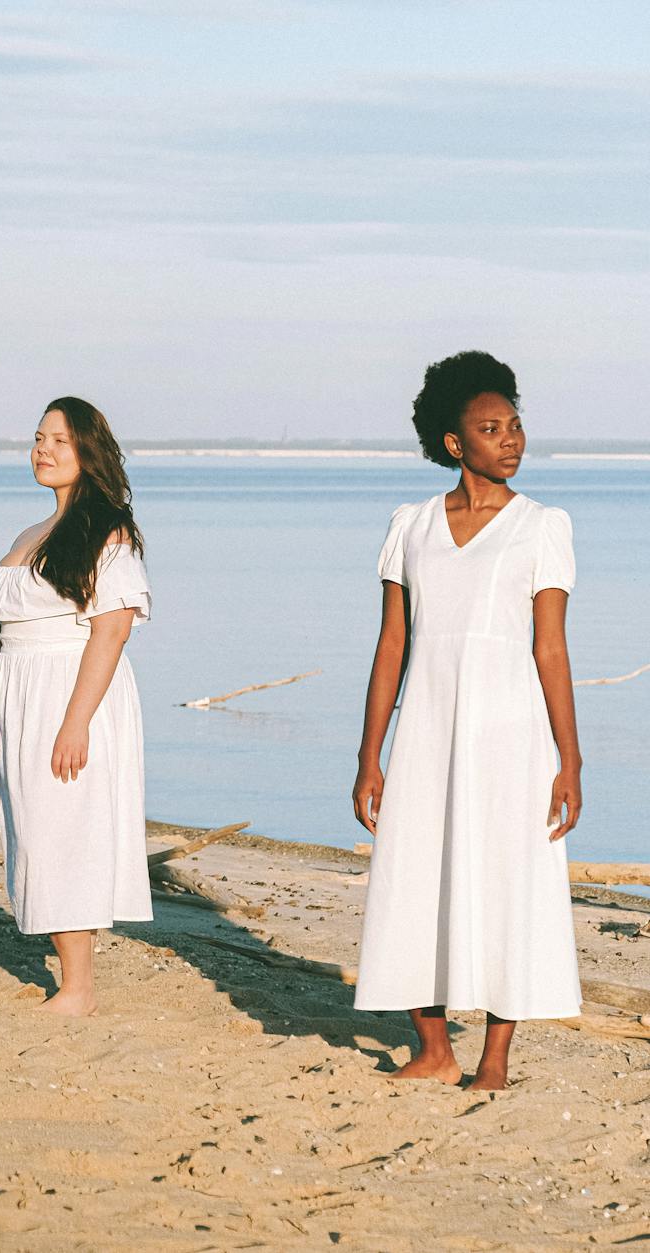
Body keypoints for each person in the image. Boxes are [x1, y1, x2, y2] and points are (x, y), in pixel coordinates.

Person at [351, 350, 581, 1090]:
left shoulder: (543, 526)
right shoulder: (410, 525)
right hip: (426, 726)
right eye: (491, 427)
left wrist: (569, 760)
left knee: (510, 877)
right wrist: (369, 754)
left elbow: (550, 648)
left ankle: (495, 1059)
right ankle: (433, 1047)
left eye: (515, 424)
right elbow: (392, 644)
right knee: (413, 874)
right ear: (455, 444)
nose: (511, 439)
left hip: (511, 732)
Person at [0, 398, 150, 1016]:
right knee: (36, 831)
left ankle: (79, 987)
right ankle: (71, 974)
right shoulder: (29, 535)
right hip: (20, 689)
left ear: (89, 452)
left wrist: (76, 722)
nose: (43, 449)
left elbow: (112, 630)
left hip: (72, 690)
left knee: (66, 829)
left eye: (60, 441)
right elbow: (2, 634)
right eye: (39, 437)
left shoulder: (108, 530)